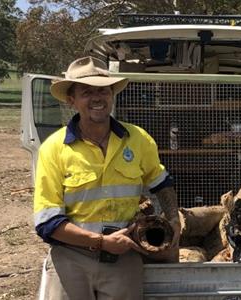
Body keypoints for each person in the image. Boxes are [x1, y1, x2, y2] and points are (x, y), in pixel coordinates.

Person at [32, 56, 179, 300]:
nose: (97, 98)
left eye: (103, 90)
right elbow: (47, 223)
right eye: (87, 92)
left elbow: (161, 183)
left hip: (124, 258)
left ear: (112, 95)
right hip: (71, 258)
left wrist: (174, 221)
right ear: (72, 100)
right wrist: (100, 241)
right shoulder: (53, 149)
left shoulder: (138, 139)